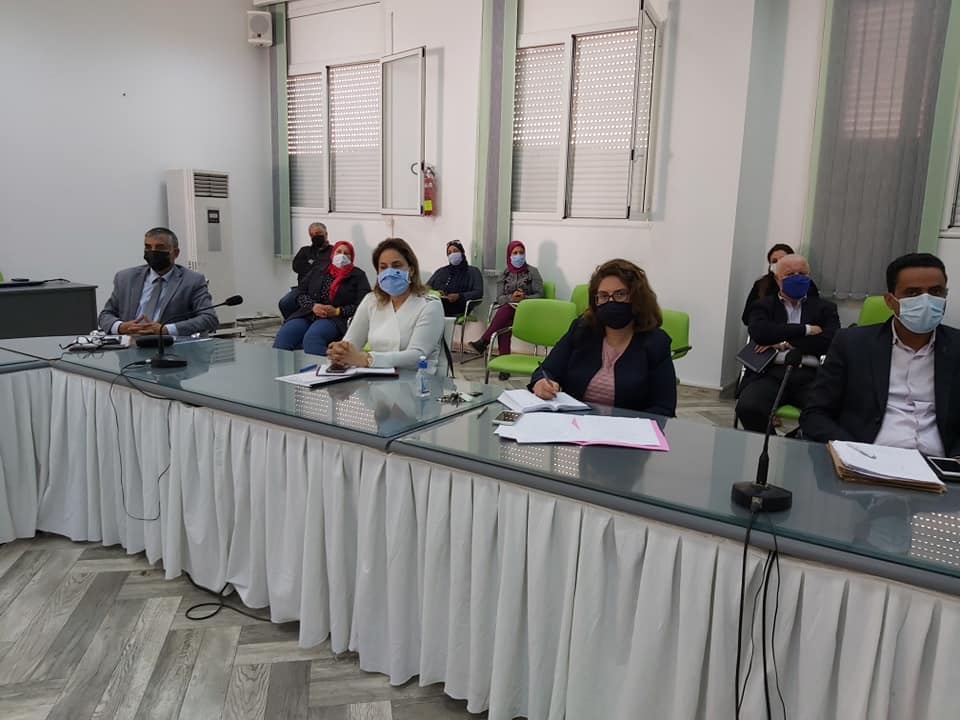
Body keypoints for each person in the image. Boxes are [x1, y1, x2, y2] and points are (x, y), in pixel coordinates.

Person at [801, 253, 960, 456]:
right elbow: (815, 414)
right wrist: (855, 453)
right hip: (868, 458)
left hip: (940, 464)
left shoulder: (956, 347)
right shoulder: (852, 344)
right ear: (890, 300)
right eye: (912, 292)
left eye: (935, 291)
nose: (926, 300)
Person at [528, 259, 677, 416]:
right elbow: (547, 370)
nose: (611, 302)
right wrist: (540, 382)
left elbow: (663, 408)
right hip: (575, 424)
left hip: (628, 428)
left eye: (620, 294)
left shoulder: (656, 342)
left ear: (637, 298)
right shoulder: (582, 330)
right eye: (603, 296)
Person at [735, 254, 839, 432]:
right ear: (777, 279)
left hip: (810, 375)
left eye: (802, 273)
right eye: (790, 274)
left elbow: (831, 341)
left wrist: (783, 342)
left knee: (828, 413)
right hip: (769, 373)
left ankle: (793, 441)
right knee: (748, 407)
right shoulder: (763, 305)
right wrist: (806, 330)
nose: (797, 278)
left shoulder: (825, 308)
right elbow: (760, 333)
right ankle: (769, 442)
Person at [327, 237, 444, 373]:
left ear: (411, 270)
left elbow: (417, 356)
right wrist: (340, 352)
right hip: (375, 378)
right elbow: (351, 343)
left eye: (396, 265)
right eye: (383, 267)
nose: (389, 272)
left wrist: (367, 359)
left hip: (416, 380)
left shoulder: (429, 305)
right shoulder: (371, 300)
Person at [97, 227, 218, 336]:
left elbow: (209, 318)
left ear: (175, 253)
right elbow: (105, 315)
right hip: (130, 344)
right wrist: (121, 327)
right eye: (148, 247)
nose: (153, 252)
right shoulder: (125, 278)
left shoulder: (192, 281)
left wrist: (165, 329)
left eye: (160, 248)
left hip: (169, 346)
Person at [272, 241, 370, 355]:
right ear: (333, 254)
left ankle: (331, 362)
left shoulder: (358, 275)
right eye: (339, 252)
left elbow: (363, 304)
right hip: (308, 313)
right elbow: (300, 292)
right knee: (285, 336)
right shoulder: (318, 269)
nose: (342, 255)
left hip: (334, 318)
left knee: (312, 340)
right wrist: (313, 306)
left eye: (346, 253)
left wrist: (337, 311)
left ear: (351, 257)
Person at [468, 241, 544, 377]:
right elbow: (499, 298)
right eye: (515, 253)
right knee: (506, 317)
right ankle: (504, 368)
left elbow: (540, 295)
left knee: (504, 312)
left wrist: (524, 298)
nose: (518, 256)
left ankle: (484, 342)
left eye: (521, 252)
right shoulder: (504, 273)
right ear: (509, 255)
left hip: (528, 312)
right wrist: (512, 298)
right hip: (509, 310)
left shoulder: (533, 272)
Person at [741, 243, 820, 325]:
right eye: (774, 261)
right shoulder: (761, 284)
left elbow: (815, 312)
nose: (778, 263)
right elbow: (747, 317)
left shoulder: (805, 283)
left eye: (782, 259)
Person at [278, 223, 332, 318]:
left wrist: (312, 265)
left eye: (318, 233)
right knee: (284, 303)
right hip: (303, 289)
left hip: (324, 291)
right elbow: (296, 267)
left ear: (326, 234)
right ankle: (290, 321)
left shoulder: (333, 251)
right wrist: (319, 267)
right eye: (312, 235)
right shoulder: (305, 251)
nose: (315, 236)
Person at [427, 240, 484, 317]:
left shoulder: (473, 272)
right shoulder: (441, 271)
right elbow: (425, 289)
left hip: (459, 311)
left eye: (455, 251)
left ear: (462, 252)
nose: (452, 254)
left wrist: (459, 296)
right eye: (449, 253)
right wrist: (437, 293)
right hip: (436, 310)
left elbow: (478, 292)